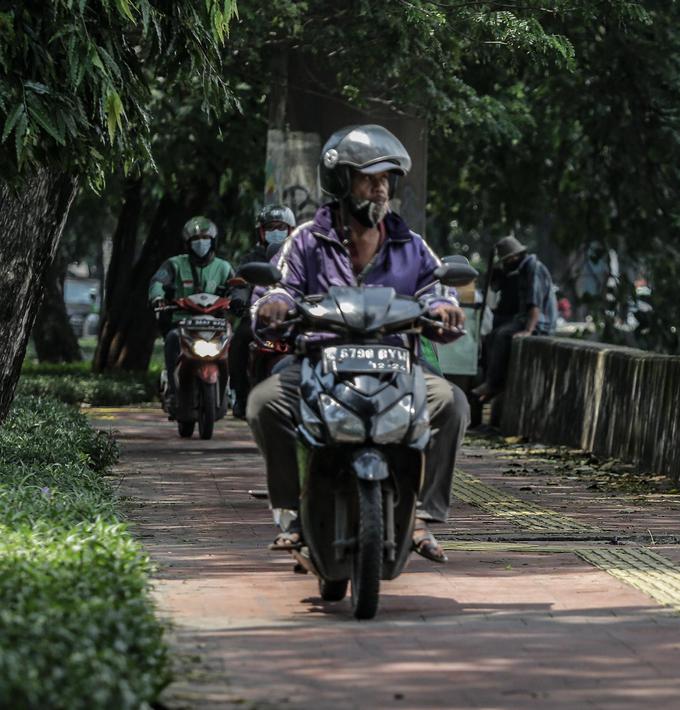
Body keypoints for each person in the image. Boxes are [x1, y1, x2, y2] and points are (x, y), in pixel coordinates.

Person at [247, 124, 467, 563]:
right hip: (320, 363)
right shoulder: (308, 239)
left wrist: (445, 308)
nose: (380, 189)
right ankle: (291, 510)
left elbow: (437, 289)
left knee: (451, 403)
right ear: (341, 181)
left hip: (396, 367)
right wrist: (272, 305)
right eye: (369, 178)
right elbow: (279, 288)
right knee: (264, 403)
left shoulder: (412, 245)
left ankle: (421, 513)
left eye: (386, 179)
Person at [149, 216, 235, 410]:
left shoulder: (224, 267)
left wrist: (240, 298)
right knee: (171, 339)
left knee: (236, 343)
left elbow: (239, 287)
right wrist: (158, 297)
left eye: (205, 237)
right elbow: (158, 282)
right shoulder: (175, 264)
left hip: (216, 324)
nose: (200, 242)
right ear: (188, 243)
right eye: (195, 239)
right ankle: (173, 389)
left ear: (213, 241)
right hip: (182, 323)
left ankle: (233, 389)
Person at [228, 204, 295, 419]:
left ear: (291, 229)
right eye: (270, 227)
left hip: (295, 319)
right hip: (257, 317)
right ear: (261, 231)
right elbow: (240, 284)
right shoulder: (252, 257)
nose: (276, 231)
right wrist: (239, 301)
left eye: (281, 227)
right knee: (238, 342)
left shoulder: (299, 254)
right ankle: (240, 395)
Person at [472, 236, 556, 402]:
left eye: (507, 260)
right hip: (523, 319)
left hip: (540, 323)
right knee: (492, 336)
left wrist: (528, 330)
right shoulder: (522, 271)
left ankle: (493, 383)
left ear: (514, 257)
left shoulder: (533, 268)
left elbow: (534, 303)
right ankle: (492, 381)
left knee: (503, 335)